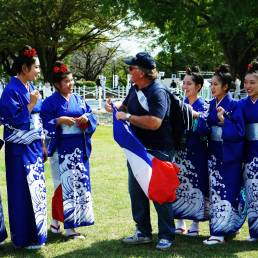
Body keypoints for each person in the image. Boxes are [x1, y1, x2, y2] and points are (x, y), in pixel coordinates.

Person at [105, 52, 175, 250]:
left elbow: (155, 122)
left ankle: (167, 235)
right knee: (136, 193)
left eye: (132, 68)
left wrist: (127, 116)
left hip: (159, 149)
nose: (128, 71)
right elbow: (125, 105)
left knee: (160, 193)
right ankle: (143, 232)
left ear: (142, 73)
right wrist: (114, 106)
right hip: (137, 149)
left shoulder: (158, 92)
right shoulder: (135, 88)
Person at [41, 61, 97, 239]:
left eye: (72, 80)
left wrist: (86, 119)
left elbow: (90, 114)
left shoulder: (78, 99)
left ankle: (56, 223)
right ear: (57, 84)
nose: (71, 84)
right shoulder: (49, 102)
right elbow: (44, 124)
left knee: (77, 185)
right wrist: (59, 121)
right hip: (61, 149)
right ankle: (70, 229)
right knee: (63, 187)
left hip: (79, 148)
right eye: (67, 81)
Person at [0, 45, 47, 249]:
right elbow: (11, 120)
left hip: (34, 147)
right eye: (35, 67)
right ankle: (23, 238)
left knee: (36, 189)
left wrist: (43, 144)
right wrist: (30, 104)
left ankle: (38, 234)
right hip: (18, 150)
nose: (38, 71)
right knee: (21, 192)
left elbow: (38, 120)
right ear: (25, 68)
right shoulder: (11, 90)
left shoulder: (29, 88)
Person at [197, 65, 246, 245]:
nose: (212, 87)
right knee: (216, 190)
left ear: (225, 86)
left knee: (227, 191)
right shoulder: (211, 104)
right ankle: (225, 228)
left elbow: (240, 132)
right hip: (214, 153)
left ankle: (219, 233)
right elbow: (206, 129)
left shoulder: (234, 105)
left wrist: (225, 122)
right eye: (212, 84)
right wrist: (202, 122)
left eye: (216, 84)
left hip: (229, 155)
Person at [173, 66, 209, 236]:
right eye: (184, 83)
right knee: (177, 184)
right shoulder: (179, 104)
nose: (185, 87)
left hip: (197, 151)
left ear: (198, 86)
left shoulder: (204, 106)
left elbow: (205, 128)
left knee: (198, 183)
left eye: (189, 83)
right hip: (179, 151)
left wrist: (195, 117)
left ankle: (195, 222)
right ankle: (179, 221)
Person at [240, 61, 258, 241]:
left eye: (252, 82)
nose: (248, 86)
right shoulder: (241, 104)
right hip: (248, 152)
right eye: (246, 82)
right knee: (251, 192)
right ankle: (254, 231)